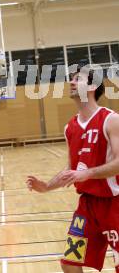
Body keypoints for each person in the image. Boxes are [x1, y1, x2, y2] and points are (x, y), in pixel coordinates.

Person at [27, 66, 119, 272]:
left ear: (93, 86)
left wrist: (88, 173)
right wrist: (47, 186)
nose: (71, 82)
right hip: (87, 207)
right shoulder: (70, 128)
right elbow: (71, 169)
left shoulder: (111, 120)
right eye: (72, 79)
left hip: (115, 204)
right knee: (69, 264)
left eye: (78, 79)